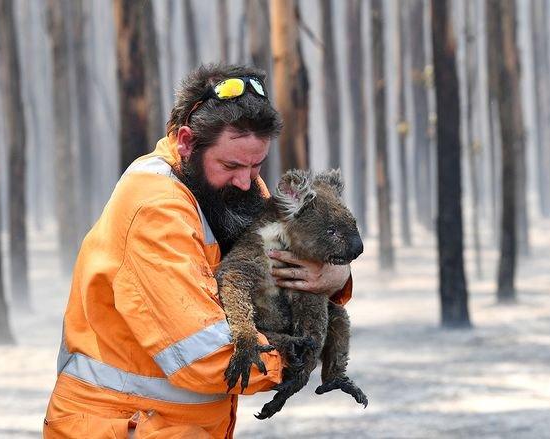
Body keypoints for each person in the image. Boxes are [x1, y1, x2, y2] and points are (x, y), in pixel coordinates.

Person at [43, 64, 354, 438]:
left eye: (257, 165)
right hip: (122, 425)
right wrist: (299, 355)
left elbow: (291, 256)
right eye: (231, 165)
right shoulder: (156, 210)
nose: (246, 180)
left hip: (170, 426)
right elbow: (206, 355)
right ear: (187, 142)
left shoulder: (228, 188)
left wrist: (337, 277)